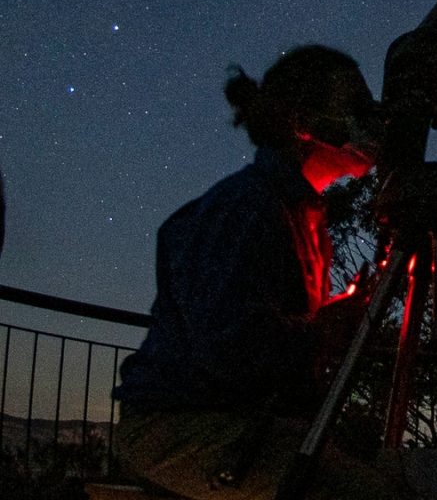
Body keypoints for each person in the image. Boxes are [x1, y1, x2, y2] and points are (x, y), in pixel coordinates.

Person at [114, 45, 409, 499]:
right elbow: (229, 346)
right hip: (179, 424)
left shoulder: (301, 212)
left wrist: (335, 319)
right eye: (356, 105)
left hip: (236, 416)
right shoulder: (247, 207)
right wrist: (328, 329)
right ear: (303, 122)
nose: (372, 118)